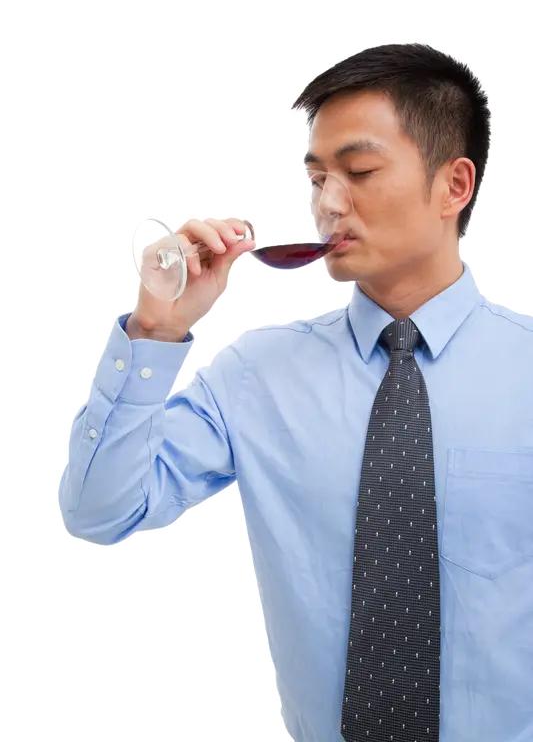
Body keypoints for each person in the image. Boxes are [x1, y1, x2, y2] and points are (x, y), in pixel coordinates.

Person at [58, 42, 533, 742]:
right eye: (316, 178)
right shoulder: (257, 375)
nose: (327, 204)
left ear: (453, 186)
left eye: (359, 172)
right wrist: (156, 328)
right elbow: (100, 511)